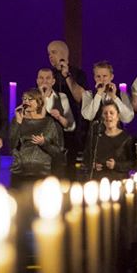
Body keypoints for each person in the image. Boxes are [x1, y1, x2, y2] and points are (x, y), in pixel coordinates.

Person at [9, 88, 64, 188]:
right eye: (24, 99)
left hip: (41, 173)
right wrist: (18, 122)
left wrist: (44, 143)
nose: (26, 102)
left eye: (30, 99)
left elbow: (58, 151)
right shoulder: (18, 120)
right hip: (19, 173)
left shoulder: (48, 123)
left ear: (39, 103)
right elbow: (12, 144)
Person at [47, 40, 88, 173]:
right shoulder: (49, 75)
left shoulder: (78, 74)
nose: (50, 56)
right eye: (48, 53)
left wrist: (67, 76)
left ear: (64, 53)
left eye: (53, 52)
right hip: (51, 130)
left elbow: (80, 98)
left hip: (72, 131)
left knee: (69, 170)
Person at [87, 101, 136, 181]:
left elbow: (133, 163)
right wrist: (93, 165)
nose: (108, 116)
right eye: (105, 113)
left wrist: (116, 165)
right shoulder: (97, 137)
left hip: (119, 181)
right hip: (100, 181)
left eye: (111, 113)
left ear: (118, 117)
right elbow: (87, 158)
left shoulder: (127, 138)